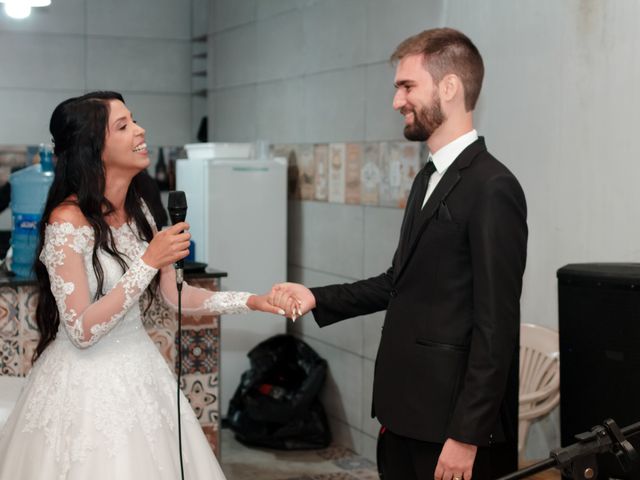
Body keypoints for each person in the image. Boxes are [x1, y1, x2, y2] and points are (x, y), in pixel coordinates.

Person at [271, 28, 528, 480]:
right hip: (406, 415)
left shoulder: (493, 187)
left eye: (407, 86)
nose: (397, 101)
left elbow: (497, 326)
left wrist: (467, 436)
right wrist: (316, 296)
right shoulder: (426, 179)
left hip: (452, 431)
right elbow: (399, 281)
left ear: (448, 88)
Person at [0, 91, 294, 479]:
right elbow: (82, 330)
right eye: (123, 126)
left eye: (134, 120)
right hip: (86, 388)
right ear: (94, 147)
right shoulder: (66, 220)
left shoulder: (139, 211)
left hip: (142, 371)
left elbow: (175, 295)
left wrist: (253, 301)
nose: (140, 130)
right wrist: (148, 261)